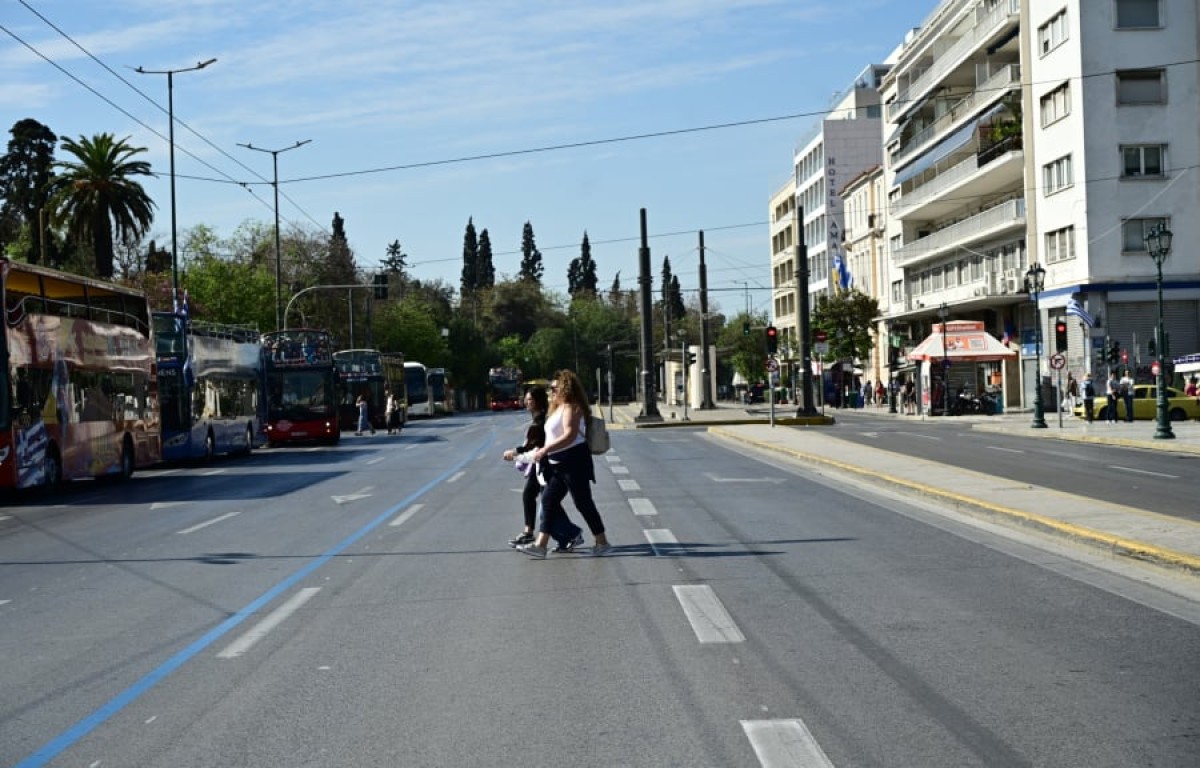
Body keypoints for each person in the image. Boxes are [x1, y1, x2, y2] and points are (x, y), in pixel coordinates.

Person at [517, 370, 612, 558]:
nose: (550, 392)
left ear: (565, 388)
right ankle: (540, 545)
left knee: (583, 503)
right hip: (558, 463)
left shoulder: (572, 407)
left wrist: (545, 450)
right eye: (550, 388)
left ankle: (602, 541)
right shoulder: (557, 408)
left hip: (574, 461)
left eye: (554, 388)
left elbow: (569, 435)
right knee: (548, 500)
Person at [502, 385, 582, 552]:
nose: (526, 402)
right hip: (542, 465)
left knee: (544, 502)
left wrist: (515, 454)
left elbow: (534, 447)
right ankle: (564, 537)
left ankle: (555, 535)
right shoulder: (541, 418)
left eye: (529, 399)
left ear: (537, 401)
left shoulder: (541, 421)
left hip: (546, 467)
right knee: (547, 503)